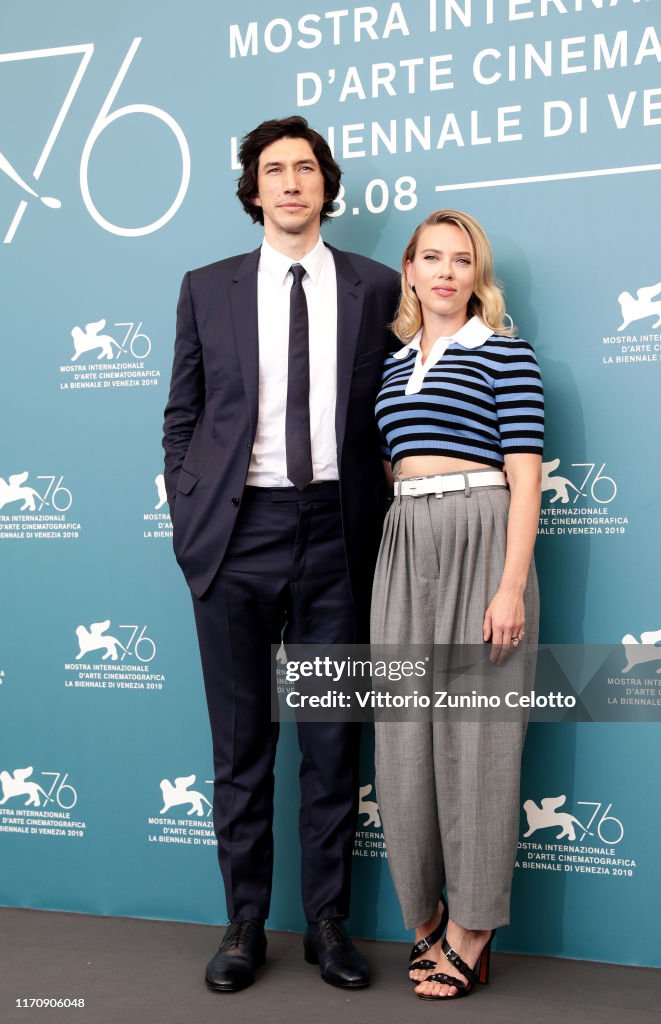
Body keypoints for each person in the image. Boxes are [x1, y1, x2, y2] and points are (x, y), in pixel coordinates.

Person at [162, 115, 399, 993]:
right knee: (242, 745)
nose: (291, 182)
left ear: (326, 187)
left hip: (339, 536)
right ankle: (244, 924)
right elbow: (181, 413)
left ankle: (328, 924)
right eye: (274, 170)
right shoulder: (205, 287)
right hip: (236, 536)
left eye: (306, 168)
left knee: (334, 744)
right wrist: (186, 503)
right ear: (252, 190)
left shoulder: (376, 288)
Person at [371, 209, 543, 1001]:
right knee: (403, 740)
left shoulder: (503, 353)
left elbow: (524, 476)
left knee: (476, 741)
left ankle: (473, 930)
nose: (444, 271)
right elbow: (391, 466)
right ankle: (426, 913)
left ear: (477, 275)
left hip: (481, 537)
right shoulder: (392, 365)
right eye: (430, 257)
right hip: (406, 541)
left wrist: (508, 584)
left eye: (460, 259)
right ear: (408, 269)